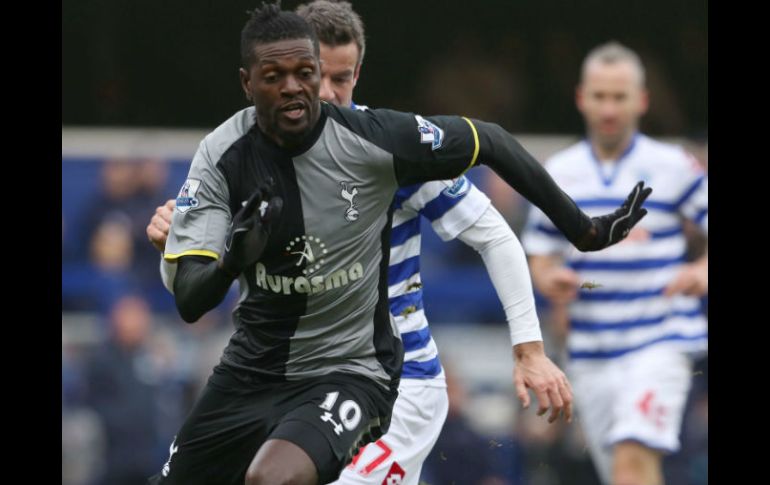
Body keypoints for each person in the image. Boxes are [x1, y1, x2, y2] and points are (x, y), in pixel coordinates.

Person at [149, 5, 650, 484]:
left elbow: (494, 225)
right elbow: (193, 291)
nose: (316, 91)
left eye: (331, 77)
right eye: (286, 75)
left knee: (280, 476)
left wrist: (532, 343)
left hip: (384, 374)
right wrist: (208, 250)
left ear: (352, 73)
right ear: (249, 81)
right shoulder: (227, 155)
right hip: (262, 371)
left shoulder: (384, 144)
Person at [522, 41, 707, 485]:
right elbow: (538, 254)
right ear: (581, 98)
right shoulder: (560, 172)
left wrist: (702, 271)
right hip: (590, 350)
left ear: (641, 101)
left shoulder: (672, 165)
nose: (609, 108)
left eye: (619, 97)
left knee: (631, 461)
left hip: (658, 339)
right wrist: (549, 278)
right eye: (600, 96)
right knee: (626, 472)